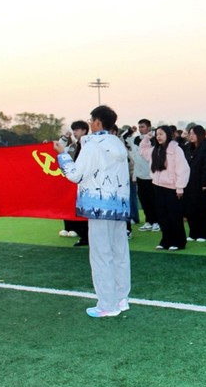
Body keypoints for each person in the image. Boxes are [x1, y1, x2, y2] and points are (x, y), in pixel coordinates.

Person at [55, 105, 131, 317]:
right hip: (118, 204)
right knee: (119, 252)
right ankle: (121, 297)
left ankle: (107, 304)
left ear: (97, 122)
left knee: (101, 254)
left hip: (98, 205)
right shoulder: (117, 143)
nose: (89, 123)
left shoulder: (93, 145)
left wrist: (62, 155)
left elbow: (75, 175)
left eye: (91, 120)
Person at [139, 125, 190, 250]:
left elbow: (183, 169)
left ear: (168, 135)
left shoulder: (176, 150)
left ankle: (178, 241)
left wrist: (180, 187)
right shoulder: (155, 150)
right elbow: (142, 151)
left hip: (172, 188)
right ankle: (166, 240)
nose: (158, 137)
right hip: (157, 186)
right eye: (157, 134)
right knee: (162, 215)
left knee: (174, 215)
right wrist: (146, 138)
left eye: (161, 134)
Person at [59, 120, 90, 246]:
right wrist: (64, 138)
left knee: (85, 211)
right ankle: (83, 236)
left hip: (87, 182)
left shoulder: (90, 145)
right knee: (75, 209)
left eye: (77, 130)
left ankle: (87, 237)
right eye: (74, 130)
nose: (74, 132)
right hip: (74, 181)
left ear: (84, 130)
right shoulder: (73, 146)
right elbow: (59, 151)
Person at [182, 125, 206, 242]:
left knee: (201, 209)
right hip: (189, 182)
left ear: (200, 134)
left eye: (193, 134)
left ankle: (204, 234)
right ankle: (193, 233)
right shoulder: (188, 148)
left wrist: (205, 182)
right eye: (190, 134)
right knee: (190, 208)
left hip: (201, 183)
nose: (191, 136)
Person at [130, 119, 160, 232]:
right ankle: (149, 221)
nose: (140, 129)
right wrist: (130, 130)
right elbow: (123, 138)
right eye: (139, 127)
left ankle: (157, 221)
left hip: (151, 175)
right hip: (140, 175)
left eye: (142, 126)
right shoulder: (136, 139)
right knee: (144, 200)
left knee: (153, 200)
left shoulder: (154, 139)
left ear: (149, 127)